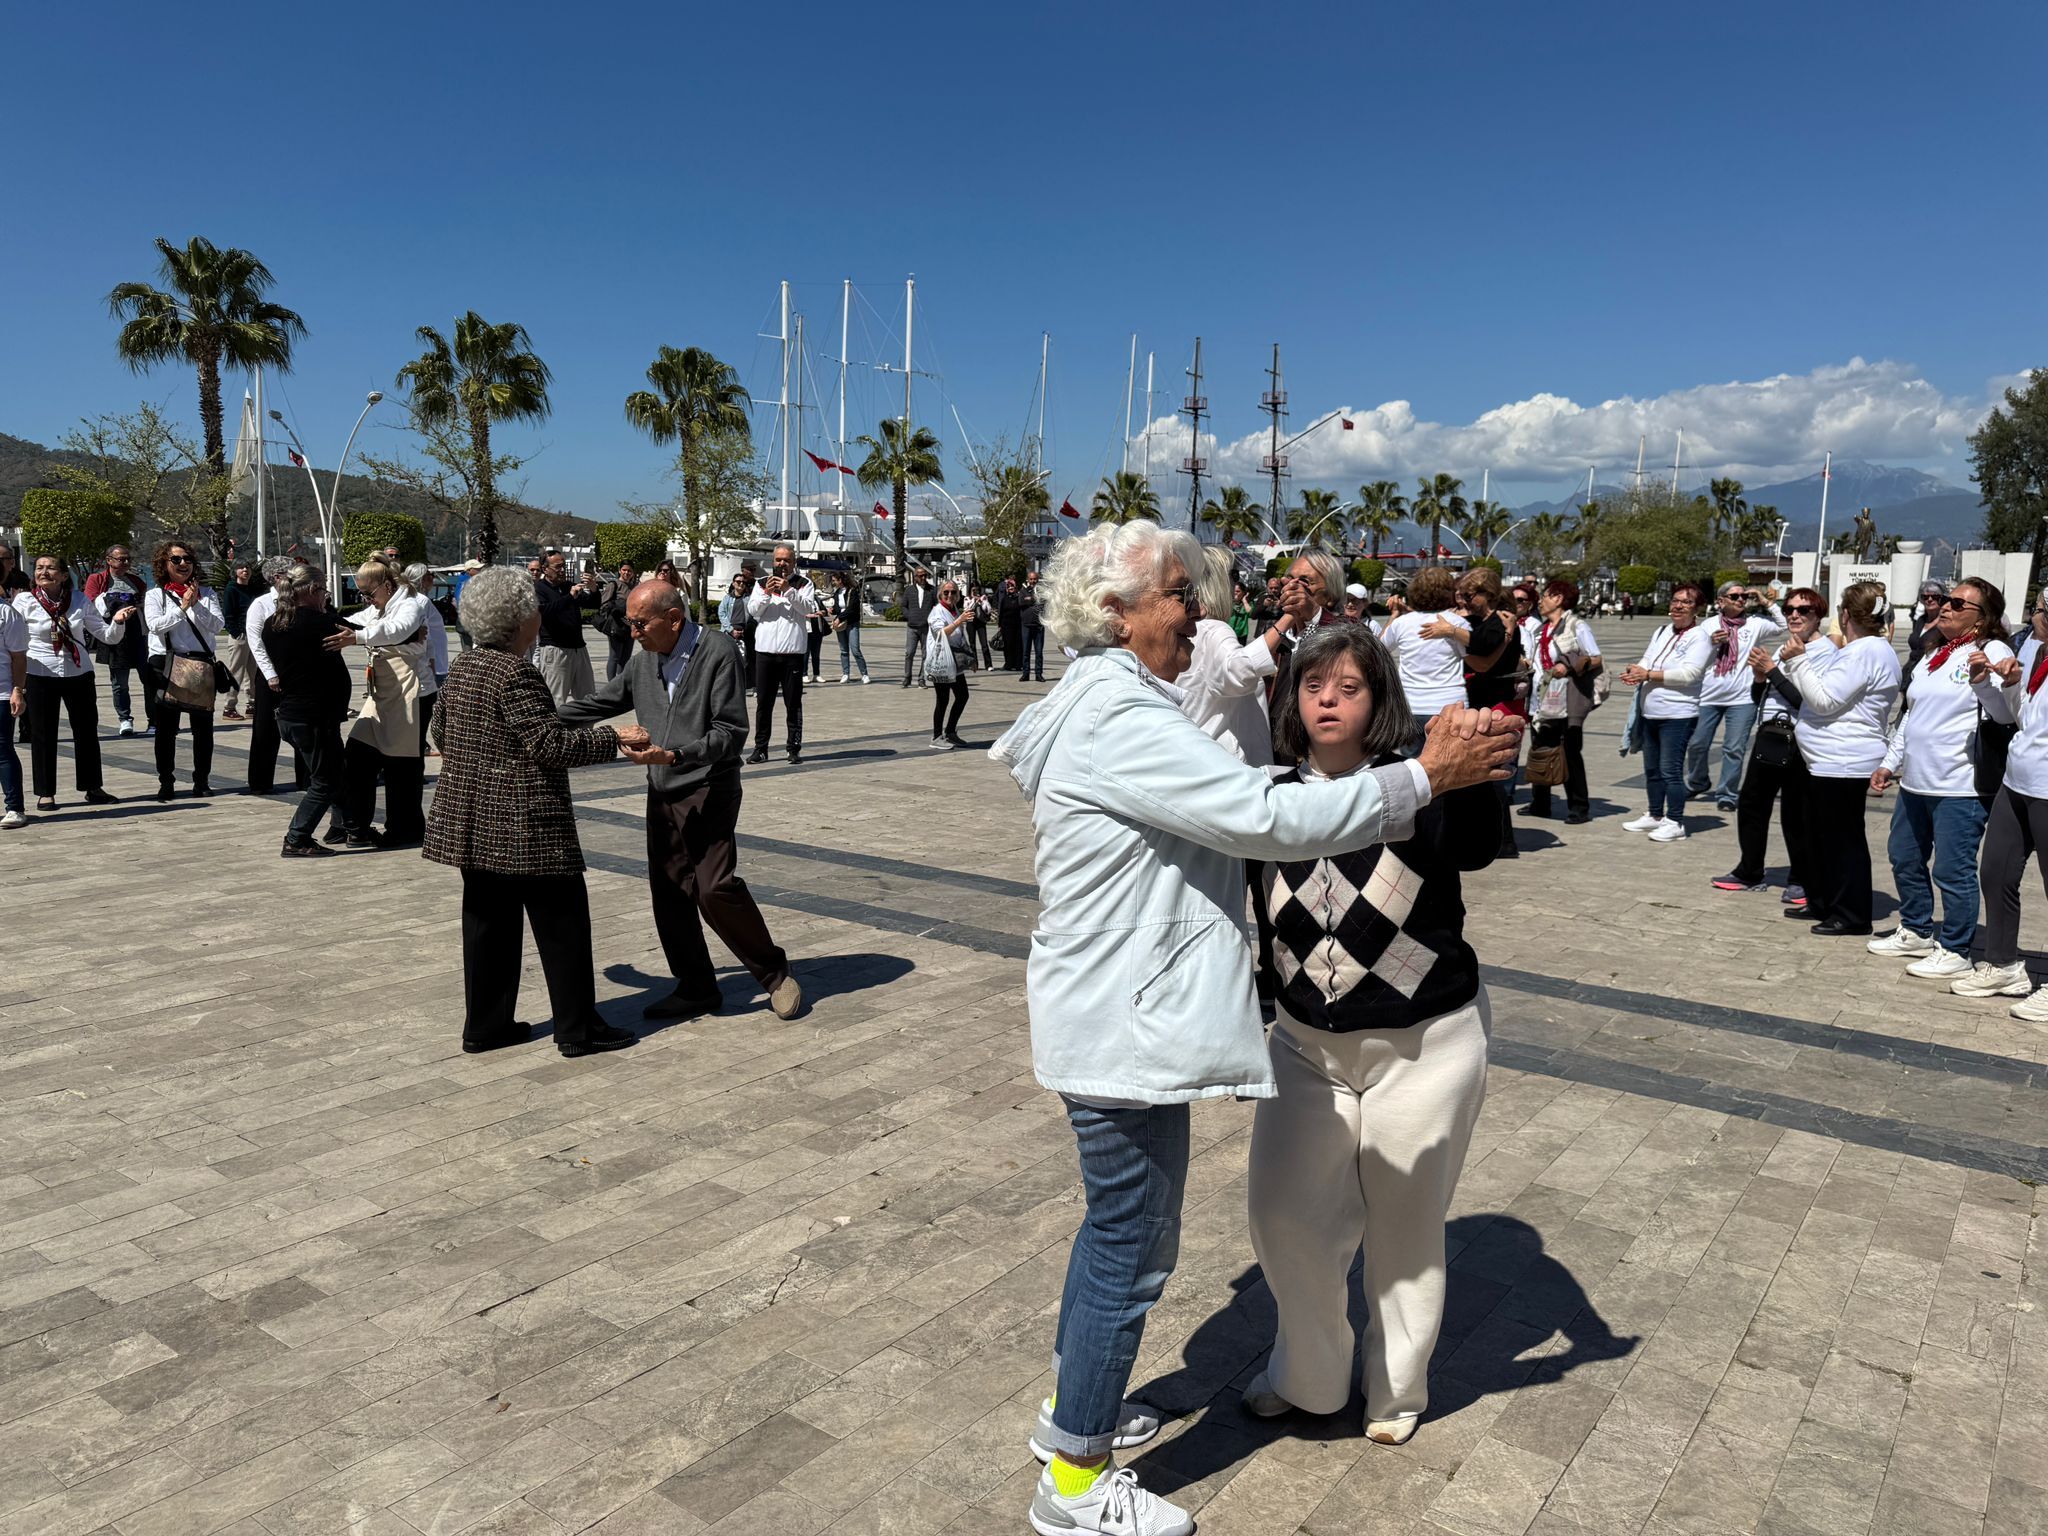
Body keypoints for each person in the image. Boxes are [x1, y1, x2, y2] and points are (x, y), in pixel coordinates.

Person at [989, 520, 1519, 1536]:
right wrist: (1419, 778)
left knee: (1116, 1234)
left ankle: (1073, 1414)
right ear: (1116, 614)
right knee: (1129, 1246)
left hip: (1115, 1013)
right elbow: (1264, 821)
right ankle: (1075, 1481)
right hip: (1122, 1026)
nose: (1200, 614)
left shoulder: (1106, 699)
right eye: (1180, 595)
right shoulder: (1117, 715)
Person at [1241, 624, 1500, 1448]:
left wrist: (1466, 770)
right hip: (1303, 1046)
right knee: (1282, 1215)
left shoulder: (1419, 783)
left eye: (1349, 687)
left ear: (1379, 698)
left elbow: (1479, 846)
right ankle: (1309, 1378)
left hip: (1425, 1044)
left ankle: (1396, 1390)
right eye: (1313, 685)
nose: (1327, 700)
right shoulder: (1265, 796)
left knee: (1404, 1227)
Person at [559, 579, 804, 1023]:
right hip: (662, 788)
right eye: (629, 623)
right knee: (670, 890)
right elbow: (600, 703)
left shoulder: (718, 653)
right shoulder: (644, 660)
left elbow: (731, 733)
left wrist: (674, 755)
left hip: (709, 786)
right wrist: (534, 717)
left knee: (714, 887)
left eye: (639, 624)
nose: (632, 632)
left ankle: (774, 973)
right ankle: (695, 987)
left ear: (673, 619)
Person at [426, 567, 646, 1056]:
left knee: (487, 925)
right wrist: (613, 738)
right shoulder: (516, 672)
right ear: (521, 619)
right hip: (526, 821)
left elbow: (441, 732)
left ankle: (485, 1026)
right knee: (563, 924)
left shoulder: (465, 665)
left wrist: (486, 758)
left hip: (471, 820)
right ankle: (577, 1028)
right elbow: (549, 745)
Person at [1866, 579, 2012, 976]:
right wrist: (1889, 762)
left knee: (1952, 869)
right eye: (1947, 599)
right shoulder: (1935, 653)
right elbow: (1911, 714)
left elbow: (2004, 714)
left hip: (1959, 785)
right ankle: (1916, 929)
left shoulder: (1991, 651)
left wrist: (1984, 682)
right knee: (1904, 857)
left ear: (1982, 618)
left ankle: (1956, 949)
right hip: (1915, 782)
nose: (1946, 606)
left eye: (1958, 604)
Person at [1179, 546, 1304, 1009]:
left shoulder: (1184, 635)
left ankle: (1228, 979)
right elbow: (1237, 671)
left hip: (1205, 774)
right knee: (1260, 888)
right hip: (1240, 776)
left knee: (1222, 888)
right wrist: (1285, 622)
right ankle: (1266, 979)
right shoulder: (1213, 630)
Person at [1781, 581, 1902, 935]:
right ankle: (1823, 900)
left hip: (1844, 760)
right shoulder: (1866, 650)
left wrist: (1798, 660)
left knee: (1842, 841)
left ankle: (1851, 914)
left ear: (1844, 615)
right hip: (1827, 759)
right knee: (1821, 836)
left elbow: (1825, 701)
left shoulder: (1864, 652)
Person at [1956, 627, 2048, 1015]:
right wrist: (2011, 686)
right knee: (1995, 872)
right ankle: (2003, 964)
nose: (2036, 617)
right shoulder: (2040, 654)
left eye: (2041, 610)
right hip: (2018, 781)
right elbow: (2026, 719)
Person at [1713, 588, 1822, 895]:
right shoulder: (1784, 647)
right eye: (1789, 610)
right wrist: (1760, 678)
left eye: (1803, 610)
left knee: (1795, 812)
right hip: (1770, 735)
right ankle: (1749, 870)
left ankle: (1801, 878)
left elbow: (1808, 703)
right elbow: (1760, 697)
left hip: (1801, 739)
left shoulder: (1824, 651)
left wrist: (1772, 672)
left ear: (1818, 615)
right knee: (1751, 804)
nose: (1794, 616)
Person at [14, 555, 129, 810]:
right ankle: (45, 792)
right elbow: (14, 639)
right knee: (42, 734)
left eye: (50, 568)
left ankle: (92, 787)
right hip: (40, 672)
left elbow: (106, 636)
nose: (44, 572)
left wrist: (118, 622)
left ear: (64, 575)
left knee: (86, 732)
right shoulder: (24, 601)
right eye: (39, 568)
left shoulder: (78, 600)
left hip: (78, 672)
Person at [335, 559, 429, 848]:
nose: (366, 599)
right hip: (382, 693)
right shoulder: (379, 606)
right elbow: (356, 621)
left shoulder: (412, 603)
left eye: (369, 593)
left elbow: (397, 630)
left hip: (409, 692)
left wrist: (358, 637)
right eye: (362, 594)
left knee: (401, 766)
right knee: (357, 755)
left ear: (387, 585)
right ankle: (355, 826)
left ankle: (404, 830)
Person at [263, 564, 353, 857]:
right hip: (313, 715)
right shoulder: (319, 623)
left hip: (293, 713)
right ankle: (297, 838)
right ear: (314, 589)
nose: (326, 595)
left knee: (337, 770)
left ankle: (347, 826)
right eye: (324, 589)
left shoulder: (273, 623)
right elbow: (360, 629)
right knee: (325, 781)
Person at [1620, 582, 1713, 843]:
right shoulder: (1662, 631)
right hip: (1651, 712)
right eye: (1675, 600)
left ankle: (1675, 821)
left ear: (1698, 609)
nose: (1678, 606)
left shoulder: (1700, 637)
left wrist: (1648, 674)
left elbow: (1689, 674)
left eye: (1686, 602)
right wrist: (1636, 671)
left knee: (1670, 770)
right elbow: (1648, 658)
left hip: (1678, 714)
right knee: (1652, 769)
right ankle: (1655, 814)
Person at [1685, 581, 1786, 812]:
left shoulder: (1755, 623)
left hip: (1742, 698)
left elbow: (1783, 624)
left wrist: (1765, 601)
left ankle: (1727, 794)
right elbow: (1694, 657)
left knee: (1734, 748)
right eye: (1734, 596)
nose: (1741, 599)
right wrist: (1711, 643)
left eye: (1743, 596)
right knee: (1697, 743)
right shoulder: (1708, 626)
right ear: (1721, 601)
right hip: (1708, 696)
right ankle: (1698, 781)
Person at [141, 540, 224, 802]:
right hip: (166, 663)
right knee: (166, 730)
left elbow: (217, 625)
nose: (183, 563)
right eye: (176, 559)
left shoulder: (207, 593)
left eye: (187, 558)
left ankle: (202, 780)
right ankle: (166, 781)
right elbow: (155, 626)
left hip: (200, 664)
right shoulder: (155, 595)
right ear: (164, 564)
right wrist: (183, 607)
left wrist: (196, 603)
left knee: (203, 729)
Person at [1524, 578, 1602, 824]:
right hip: (1541, 698)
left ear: (1558, 599)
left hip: (1567, 699)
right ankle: (1540, 803)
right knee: (1540, 749)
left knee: (1569, 752)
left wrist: (1568, 667)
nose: (1541, 600)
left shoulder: (1576, 626)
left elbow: (1595, 658)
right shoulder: (1542, 629)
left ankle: (1578, 807)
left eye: (1546, 595)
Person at [1378, 566, 1470, 741]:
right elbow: (1473, 658)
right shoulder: (1457, 624)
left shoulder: (1402, 623)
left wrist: (1394, 615)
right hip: (1449, 703)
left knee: (1413, 758)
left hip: (1410, 703)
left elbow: (1379, 648)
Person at [745, 542, 816, 765]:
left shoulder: (803, 584)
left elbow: (808, 609)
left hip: (792, 654)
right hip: (765, 653)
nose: (782, 564)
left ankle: (793, 748)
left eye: (787, 560)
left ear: (793, 562)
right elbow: (753, 610)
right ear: (773, 561)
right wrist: (767, 593)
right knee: (763, 704)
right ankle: (760, 748)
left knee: (793, 704)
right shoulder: (760, 583)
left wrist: (788, 590)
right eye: (778, 559)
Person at [244, 556, 308, 797]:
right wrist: (270, 674)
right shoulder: (260, 604)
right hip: (269, 673)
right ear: (278, 577)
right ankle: (260, 781)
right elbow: (255, 643)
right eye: (293, 575)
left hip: (296, 673)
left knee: (302, 726)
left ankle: (306, 779)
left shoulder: (300, 601)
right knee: (265, 729)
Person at [86, 543, 150, 736]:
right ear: (109, 560)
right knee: (119, 683)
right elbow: (90, 604)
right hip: (115, 635)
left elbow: (146, 602)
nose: (126, 562)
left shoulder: (136, 581)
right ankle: (125, 719)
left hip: (139, 634)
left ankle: (153, 720)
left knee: (149, 679)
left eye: (128, 559)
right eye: (122, 559)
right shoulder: (97, 579)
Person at [533, 551, 597, 706]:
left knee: (588, 698)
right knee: (557, 699)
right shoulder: (539, 589)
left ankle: (584, 723)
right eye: (558, 567)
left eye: (563, 566)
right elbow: (545, 611)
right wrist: (569, 597)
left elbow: (592, 604)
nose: (562, 570)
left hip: (578, 648)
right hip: (556, 649)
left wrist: (594, 590)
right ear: (545, 569)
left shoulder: (568, 586)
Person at [925, 579, 974, 748]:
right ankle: (936, 736)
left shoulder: (954, 610)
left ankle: (951, 731)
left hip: (955, 660)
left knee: (962, 695)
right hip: (942, 661)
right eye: (946, 592)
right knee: (943, 699)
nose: (949, 595)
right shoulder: (937, 612)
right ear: (940, 594)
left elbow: (960, 636)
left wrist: (970, 658)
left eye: (953, 592)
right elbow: (940, 633)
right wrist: (959, 621)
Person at [217, 556, 263, 720]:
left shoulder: (252, 589)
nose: (245, 570)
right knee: (236, 672)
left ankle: (252, 704)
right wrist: (236, 633)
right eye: (241, 568)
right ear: (235, 571)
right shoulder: (231, 589)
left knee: (253, 672)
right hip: (240, 637)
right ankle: (229, 707)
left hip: (253, 636)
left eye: (247, 567)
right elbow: (228, 614)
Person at [0, 590, 25, 828]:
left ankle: (14, 808)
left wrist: (18, 689)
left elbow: (19, 657)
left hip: (2, 692)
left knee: (2, 749)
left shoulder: (6, 613)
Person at [594, 561, 638, 680]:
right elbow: (603, 604)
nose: (626, 573)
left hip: (630, 626)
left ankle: (620, 683)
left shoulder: (634, 587)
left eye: (629, 571)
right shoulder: (614, 585)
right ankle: (612, 684)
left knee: (626, 657)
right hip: (616, 625)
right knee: (615, 656)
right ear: (619, 570)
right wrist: (616, 607)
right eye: (624, 570)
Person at [828, 570, 871, 683]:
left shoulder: (852, 591)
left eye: (834, 580)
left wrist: (839, 618)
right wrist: (833, 610)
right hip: (841, 625)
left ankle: (864, 674)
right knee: (844, 650)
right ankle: (846, 674)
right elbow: (838, 608)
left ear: (840, 580)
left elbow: (851, 608)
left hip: (851, 623)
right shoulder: (837, 593)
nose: (833, 583)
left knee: (855, 650)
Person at [901, 566, 936, 687]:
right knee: (909, 653)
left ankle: (922, 679)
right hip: (912, 627)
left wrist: (932, 619)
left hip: (926, 628)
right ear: (915, 577)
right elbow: (903, 606)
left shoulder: (932, 590)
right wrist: (909, 616)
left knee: (926, 654)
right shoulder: (909, 590)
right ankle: (907, 677)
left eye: (925, 575)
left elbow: (937, 606)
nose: (923, 577)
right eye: (921, 576)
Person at [717, 571, 753, 682]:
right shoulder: (727, 598)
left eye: (743, 582)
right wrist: (731, 630)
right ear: (733, 583)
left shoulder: (749, 598)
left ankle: (742, 683)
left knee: (743, 660)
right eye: (738, 581)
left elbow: (753, 614)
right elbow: (721, 613)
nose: (741, 584)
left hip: (744, 633)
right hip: (729, 633)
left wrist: (746, 629)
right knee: (728, 659)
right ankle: (727, 682)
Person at [1905, 581, 1949, 667]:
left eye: (1935, 597)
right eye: (1925, 597)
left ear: (1943, 599)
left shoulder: (1945, 623)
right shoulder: (1920, 620)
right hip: (1910, 669)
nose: (1929, 599)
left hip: (1930, 669)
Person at [1018, 569, 1047, 681]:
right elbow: (1021, 602)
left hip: (1038, 625)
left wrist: (1030, 599)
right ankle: (1025, 674)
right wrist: (1033, 599)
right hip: (1026, 625)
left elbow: (1043, 603)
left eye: (1034, 579)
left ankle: (1038, 674)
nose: (1033, 581)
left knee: (1039, 652)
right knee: (1026, 651)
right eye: (1031, 579)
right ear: (1028, 579)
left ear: (1037, 579)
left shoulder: (1042, 590)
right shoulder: (1023, 590)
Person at [965, 583, 995, 668]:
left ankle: (988, 665)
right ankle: (975, 664)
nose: (975, 592)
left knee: (984, 644)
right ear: (970, 590)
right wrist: (973, 600)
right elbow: (967, 609)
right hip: (970, 622)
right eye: (973, 590)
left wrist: (981, 602)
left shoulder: (983, 597)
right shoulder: (967, 598)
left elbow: (988, 610)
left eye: (977, 590)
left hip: (980, 622)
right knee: (972, 644)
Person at [996, 575, 1022, 668]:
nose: (1010, 588)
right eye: (1009, 587)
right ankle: (1009, 663)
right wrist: (999, 624)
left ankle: (1018, 664)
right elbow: (1001, 611)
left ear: (1015, 587)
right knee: (1007, 645)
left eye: (1012, 586)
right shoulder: (1004, 598)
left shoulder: (1019, 597)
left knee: (1018, 645)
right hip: (1006, 625)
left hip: (1017, 624)